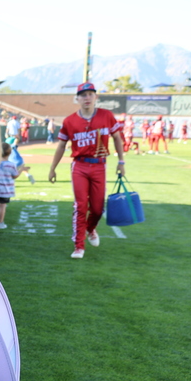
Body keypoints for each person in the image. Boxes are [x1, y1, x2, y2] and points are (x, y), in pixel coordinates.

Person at [48, 82, 126, 259]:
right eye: (83, 95)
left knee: (98, 208)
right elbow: (61, 145)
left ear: (96, 97)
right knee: (81, 205)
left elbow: (117, 138)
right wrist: (53, 168)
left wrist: (121, 161)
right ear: (77, 98)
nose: (87, 98)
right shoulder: (69, 121)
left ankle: (91, 229)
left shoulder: (106, 116)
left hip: (100, 165)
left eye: (90, 94)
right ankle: (79, 245)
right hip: (80, 165)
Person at [0, 142, 28, 230]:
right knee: (2, 206)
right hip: (6, 190)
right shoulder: (11, 164)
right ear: (9, 153)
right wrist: (22, 170)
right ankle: (0, 223)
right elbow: (15, 175)